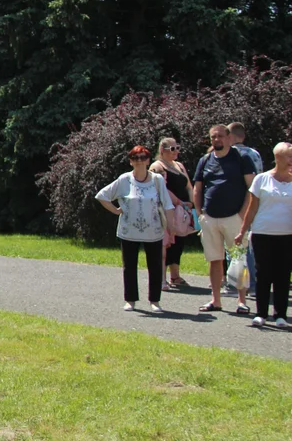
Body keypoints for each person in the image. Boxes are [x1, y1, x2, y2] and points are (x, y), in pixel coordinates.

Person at [96, 145, 175, 312]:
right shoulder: (124, 179)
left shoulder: (157, 179)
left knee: (155, 266)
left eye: (143, 158)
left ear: (148, 160)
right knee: (129, 266)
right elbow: (102, 196)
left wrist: (171, 228)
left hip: (153, 231)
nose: (139, 161)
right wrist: (116, 211)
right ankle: (130, 300)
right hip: (129, 231)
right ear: (131, 161)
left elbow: (167, 204)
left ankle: (155, 301)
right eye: (135, 158)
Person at [194, 125, 256, 313]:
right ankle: (216, 300)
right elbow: (198, 187)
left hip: (234, 217)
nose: (217, 140)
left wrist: (242, 215)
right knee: (215, 260)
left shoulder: (241, 158)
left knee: (238, 259)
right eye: (213, 137)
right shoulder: (205, 160)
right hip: (210, 218)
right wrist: (200, 214)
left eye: (220, 136)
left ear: (229, 137)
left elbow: (251, 189)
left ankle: (242, 301)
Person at [235, 143, 292, 328]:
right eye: (289, 156)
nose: (291, 160)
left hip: (287, 234)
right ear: (278, 158)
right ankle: (261, 313)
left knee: (283, 274)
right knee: (263, 273)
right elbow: (252, 209)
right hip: (262, 233)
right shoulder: (262, 179)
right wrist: (242, 231)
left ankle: (280, 315)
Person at [150, 137, 194, 288]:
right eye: (172, 149)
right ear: (162, 150)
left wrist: (192, 203)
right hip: (166, 210)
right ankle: (161, 278)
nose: (176, 151)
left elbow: (188, 186)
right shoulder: (157, 166)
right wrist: (179, 202)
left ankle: (175, 275)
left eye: (177, 148)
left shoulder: (179, 166)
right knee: (165, 243)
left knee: (179, 241)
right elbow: (162, 189)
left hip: (182, 211)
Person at [229, 122, 264, 296]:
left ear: (233, 136)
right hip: (256, 202)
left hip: (239, 204)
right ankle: (254, 282)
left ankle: (241, 284)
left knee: (238, 245)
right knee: (250, 244)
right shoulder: (255, 153)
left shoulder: (235, 154)